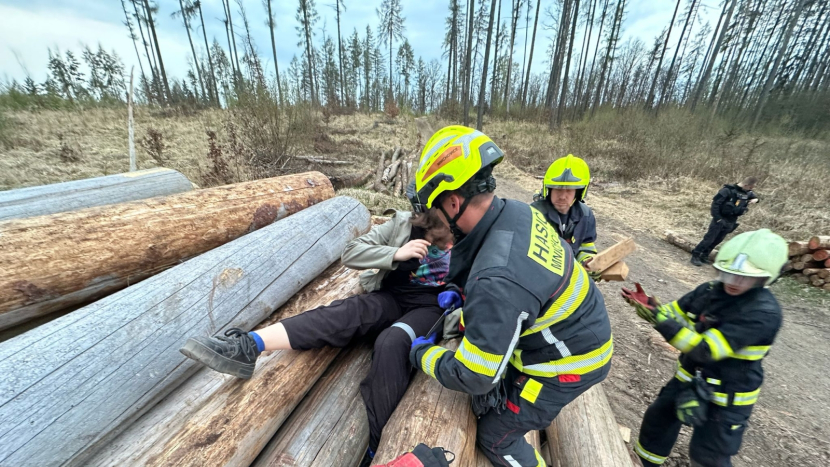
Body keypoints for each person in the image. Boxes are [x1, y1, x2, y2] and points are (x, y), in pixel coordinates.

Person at [179, 195, 459, 467]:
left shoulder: (471, 238)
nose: (447, 229)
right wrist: (395, 253)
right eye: (441, 222)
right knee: (347, 312)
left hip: (431, 307)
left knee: (391, 342)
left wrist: (459, 298)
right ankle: (249, 346)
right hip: (392, 294)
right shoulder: (403, 224)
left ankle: (377, 448)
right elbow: (351, 252)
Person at [407, 126, 613, 467]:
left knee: (495, 435)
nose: (434, 226)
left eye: (434, 214)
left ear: (454, 202)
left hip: (568, 361)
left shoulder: (496, 281)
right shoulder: (518, 211)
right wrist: (467, 292)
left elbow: (473, 375)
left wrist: (422, 356)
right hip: (578, 325)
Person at [622, 229, 786, 467]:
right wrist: (650, 306)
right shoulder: (709, 291)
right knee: (658, 421)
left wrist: (661, 321)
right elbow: (674, 312)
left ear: (764, 279)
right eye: (728, 274)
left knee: (708, 454)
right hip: (689, 377)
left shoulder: (763, 313)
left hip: (728, 395)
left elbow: (704, 350)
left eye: (744, 278)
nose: (733, 282)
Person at [531, 154, 600, 280]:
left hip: (568, 278)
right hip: (539, 277)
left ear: (578, 192)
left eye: (569, 191)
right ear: (549, 190)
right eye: (558, 190)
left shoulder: (585, 215)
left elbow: (586, 246)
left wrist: (588, 263)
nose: (562, 196)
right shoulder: (534, 213)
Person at [691, 177, 759, 266]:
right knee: (709, 239)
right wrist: (718, 218)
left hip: (732, 220)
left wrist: (755, 199)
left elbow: (755, 197)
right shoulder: (727, 190)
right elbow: (715, 205)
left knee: (718, 240)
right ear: (746, 185)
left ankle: (705, 255)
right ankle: (696, 255)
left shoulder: (746, 192)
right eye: (750, 188)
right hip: (720, 218)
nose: (751, 190)